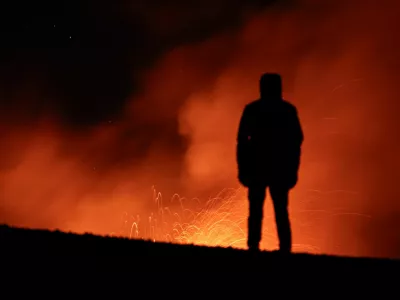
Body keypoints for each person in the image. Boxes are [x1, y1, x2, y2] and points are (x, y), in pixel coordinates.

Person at [236, 73, 304, 252]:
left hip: (259, 167)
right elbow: (296, 141)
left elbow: (242, 141)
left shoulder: (253, 109)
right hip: (277, 168)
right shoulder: (287, 111)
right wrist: (292, 169)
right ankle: (284, 248)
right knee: (280, 210)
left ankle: (254, 246)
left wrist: (243, 169)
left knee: (257, 210)